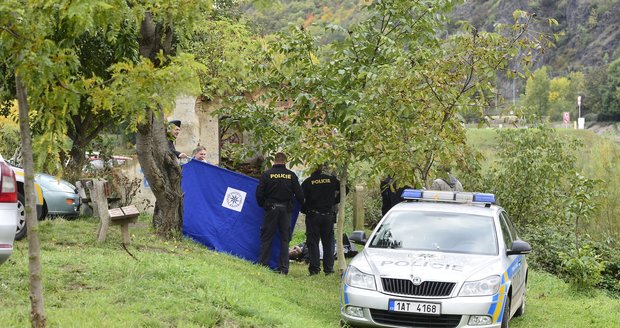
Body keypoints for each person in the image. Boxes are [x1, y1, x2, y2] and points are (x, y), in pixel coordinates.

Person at [255, 152, 304, 275]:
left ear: (274, 161)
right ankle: (283, 268)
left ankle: (263, 264)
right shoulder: (291, 175)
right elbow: (300, 195)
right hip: (286, 211)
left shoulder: (267, 174)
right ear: (285, 161)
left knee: (267, 237)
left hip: (271, 209)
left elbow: (259, 193)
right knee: (284, 239)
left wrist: (264, 205)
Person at [301, 164, 340, 276]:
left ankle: (314, 269)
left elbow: (301, 197)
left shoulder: (308, 182)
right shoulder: (331, 180)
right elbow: (345, 188)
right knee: (328, 243)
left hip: (313, 215)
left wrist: (304, 209)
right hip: (328, 215)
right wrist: (334, 201)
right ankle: (328, 269)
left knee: (313, 242)